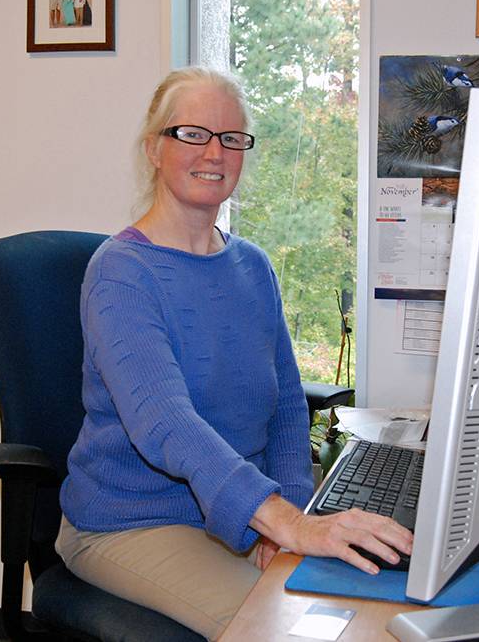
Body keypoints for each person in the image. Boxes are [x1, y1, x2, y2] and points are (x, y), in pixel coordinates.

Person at [55, 67, 413, 641]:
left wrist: (289, 520)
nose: (214, 152)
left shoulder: (254, 267)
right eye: (192, 134)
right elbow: (166, 424)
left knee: (369, 608)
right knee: (289, 628)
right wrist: (287, 523)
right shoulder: (121, 273)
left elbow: (288, 409)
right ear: (153, 148)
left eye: (231, 138)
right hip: (133, 523)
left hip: (240, 517)